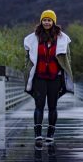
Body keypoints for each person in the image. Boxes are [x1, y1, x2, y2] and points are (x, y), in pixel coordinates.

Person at [24, 9, 74, 147]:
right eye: (44, 20)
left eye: (49, 20)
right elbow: (28, 58)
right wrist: (27, 71)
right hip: (39, 76)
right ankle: (38, 134)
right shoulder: (33, 38)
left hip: (55, 77)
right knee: (39, 105)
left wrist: (66, 74)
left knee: (53, 106)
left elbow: (67, 58)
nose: (47, 22)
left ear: (53, 22)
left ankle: (50, 134)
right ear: (41, 21)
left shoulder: (62, 38)